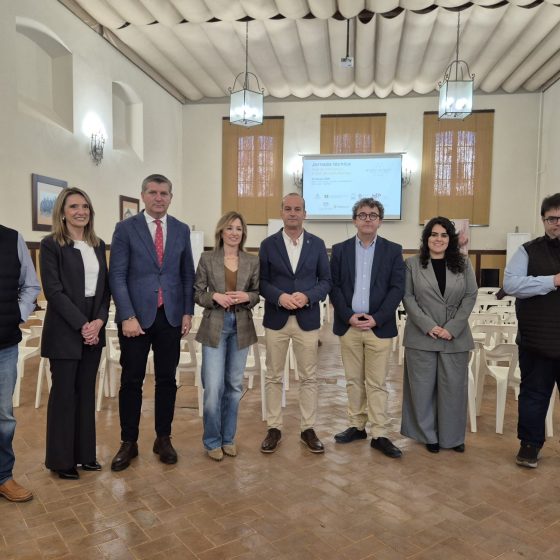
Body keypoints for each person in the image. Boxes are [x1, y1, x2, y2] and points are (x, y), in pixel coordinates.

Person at [109, 174, 195, 471]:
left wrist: (187, 311)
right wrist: (127, 315)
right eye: (153, 192)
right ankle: (128, 441)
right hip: (136, 319)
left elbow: (187, 274)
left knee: (167, 380)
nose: (159, 198)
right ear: (143, 195)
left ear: (171, 197)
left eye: (164, 193)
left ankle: (163, 438)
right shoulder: (125, 229)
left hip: (170, 317)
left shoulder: (181, 229)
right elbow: (117, 275)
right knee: (131, 380)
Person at [40, 187, 110, 479]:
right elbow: (54, 291)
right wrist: (83, 324)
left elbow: (105, 291)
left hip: (93, 327)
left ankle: (85, 455)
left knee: (85, 393)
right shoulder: (51, 245)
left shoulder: (98, 245)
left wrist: (99, 322)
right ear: (62, 212)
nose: (81, 211)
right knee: (64, 395)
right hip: (65, 329)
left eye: (85, 206)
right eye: (73, 207)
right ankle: (61, 460)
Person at [330, 198, 405, 458]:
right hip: (349, 325)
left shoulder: (393, 250)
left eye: (373, 215)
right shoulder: (339, 250)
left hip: (378, 327)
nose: (368, 219)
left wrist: (379, 318)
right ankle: (357, 425)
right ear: (354, 221)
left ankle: (380, 433)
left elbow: (397, 288)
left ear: (380, 221)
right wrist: (348, 316)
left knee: (377, 383)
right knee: (353, 380)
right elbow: (334, 287)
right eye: (362, 215)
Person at [259, 193, 331, 454]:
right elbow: (261, 282)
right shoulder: (268, 244)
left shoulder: (317, 244)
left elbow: (326, 281)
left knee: (308, 377)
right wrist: (279, 297)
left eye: (297, 209)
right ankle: (274, 427)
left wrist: (308, 296)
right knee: (274, 376)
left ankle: (308, 428)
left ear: (304, 213)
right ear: (282, 212)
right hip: (276, 319)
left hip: (307, 319)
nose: (292, 213)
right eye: (288, 209)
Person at [400, 217, 477, 453]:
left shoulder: (463, 264)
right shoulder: (412, 264)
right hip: (422, 335)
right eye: (434, 234)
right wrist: (428, 325)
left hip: (455, 336)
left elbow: (470, 295)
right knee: (421, 389)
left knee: (453, 389)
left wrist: (452, 327)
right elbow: (407, 297)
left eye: (444, 235)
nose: (438, 239)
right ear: (426, 238)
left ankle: (452, 438)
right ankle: (428, 435)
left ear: (450, 239)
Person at [194, 212, 259, 461]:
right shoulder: (207, 258)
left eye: (239, 229)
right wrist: (214, 297)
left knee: (233, 386)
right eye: (230, 228)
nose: (234, 233)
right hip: (215, 327)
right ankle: (212, 440)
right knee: (213, 387)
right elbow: (197, 293)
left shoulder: (252, 260)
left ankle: (228, 438)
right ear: (221, 231)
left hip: (241, 327)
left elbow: (257, 293)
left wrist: (247, 297)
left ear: (243, 234)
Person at [504, 193, 560, 468]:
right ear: (543, 220)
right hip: (537, 339)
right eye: (552, 218)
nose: (557, 223)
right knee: (534, 395)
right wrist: (553, 281)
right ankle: (529, 446)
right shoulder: (527, 250)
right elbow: (511, 285)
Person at [0, 225, 40, 501]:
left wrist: (18, 313)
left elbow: (31, 284)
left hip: (4, 345)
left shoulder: (12, 238)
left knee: (4, 417)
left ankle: (3, 476)